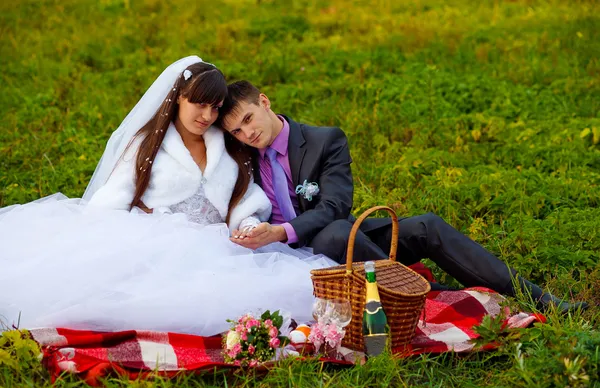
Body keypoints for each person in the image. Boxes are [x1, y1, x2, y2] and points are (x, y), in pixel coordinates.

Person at [0, 57, 335, 335]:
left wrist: (247, 224)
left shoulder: (226, 144)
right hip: (158, 244)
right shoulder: (148, 147)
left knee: (288, 291)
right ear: (178, 98)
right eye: (199, 104)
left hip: (219, 246)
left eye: (215, 108)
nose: (207, 116)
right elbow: (111, 201)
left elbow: (242, 198)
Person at [218, 80, 589, 314]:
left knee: (424, 225)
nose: (247, 133)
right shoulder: (241, 156)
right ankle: (429, 296)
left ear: (264, 102)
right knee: (336, 234)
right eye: (236, 130)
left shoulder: (323, 140)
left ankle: (540, 298)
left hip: (338, 238)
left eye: (249, 119)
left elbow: (335, 207)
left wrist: (282, 231)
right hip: (292, 255)